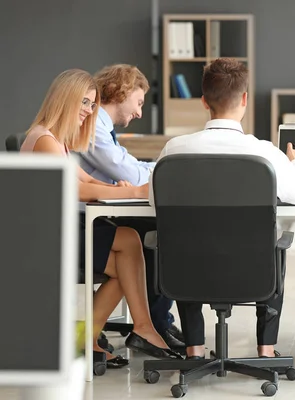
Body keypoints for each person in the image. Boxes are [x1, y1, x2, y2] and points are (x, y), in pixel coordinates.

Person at [150, 57, 295, 359]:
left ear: (203, 101)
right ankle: (265, 352)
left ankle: (194, 351)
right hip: (252, 273)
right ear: (245, 99)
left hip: (188, 273)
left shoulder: (174, 149)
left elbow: (154, 202)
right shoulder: (264, 153)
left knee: (185, 239)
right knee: (275, 244)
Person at [20, 69, 180, 367]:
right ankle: (126, 331)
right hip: (48, 237)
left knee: (129, 247)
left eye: (92, 104)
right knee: (127, 256)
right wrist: (134, 193)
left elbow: (85, 180)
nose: (88, 111)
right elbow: (77, 189)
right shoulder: (43, 140)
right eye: (83, 102)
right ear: (64, 99)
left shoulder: (57, 141)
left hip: (61, 229)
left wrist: (116, 188)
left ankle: (94, 338)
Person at [77, 64, 183, 351]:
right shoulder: (92, 125)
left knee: (150, 234)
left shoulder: (101, 127)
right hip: (85, 220)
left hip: (95, 213)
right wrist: (169, 170)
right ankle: (153, 323)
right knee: (162, 231)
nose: (139, 112)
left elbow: (131, 167)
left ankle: (152, 322)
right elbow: (130, 173)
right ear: (121, 92)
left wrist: (164, 168)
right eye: (138, 102)